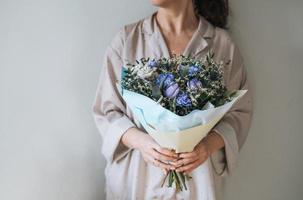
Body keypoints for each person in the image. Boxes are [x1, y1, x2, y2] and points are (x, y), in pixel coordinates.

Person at [92, 0, 253, 199]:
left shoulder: (222, 45)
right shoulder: (127, 41)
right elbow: (106, 112)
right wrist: (142, 142)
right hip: (137, 181)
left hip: (198, 183)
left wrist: (206, 147)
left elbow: (239, 113)